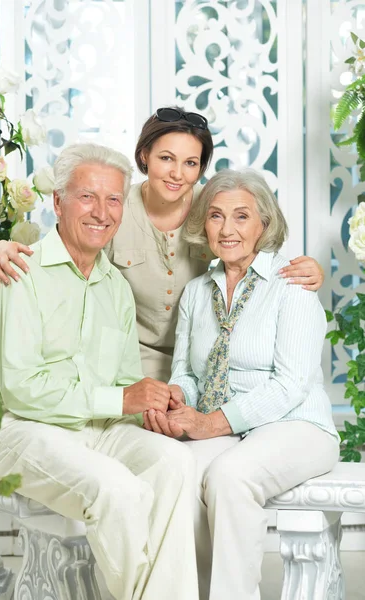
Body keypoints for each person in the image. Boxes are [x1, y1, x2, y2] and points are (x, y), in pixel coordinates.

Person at [0, 143, 199, 600]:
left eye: (114, 199)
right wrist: (121, 400)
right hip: (19, 429)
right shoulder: (19, 270)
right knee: (118, 489)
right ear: (57, 202)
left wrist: (153, 406)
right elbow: (20, 390)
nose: (102, 212)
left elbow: (122, 384)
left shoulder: (115, 286)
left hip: (97, 428)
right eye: (87, 197)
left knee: (176, 463)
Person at [0, 107, 324, 382]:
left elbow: (253, 248)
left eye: (191, 163)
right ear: (145, 155)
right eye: (167, 158)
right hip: (128, 364)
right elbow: (69, 241)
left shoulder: (213, 211)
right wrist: (1, 247)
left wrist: (306, 268)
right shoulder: (114, 207)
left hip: (200, 362)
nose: (177, 173)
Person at [143, 169, 340, 600]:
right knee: (181, 471)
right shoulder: (196, 292)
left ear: (263, 225)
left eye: (241, 216)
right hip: (231, 428)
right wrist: (180, 404)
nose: (227, 228)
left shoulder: (293, 286)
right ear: (204, 225)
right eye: (215, 216)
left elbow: (290, 386)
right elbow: (185, 373)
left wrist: (210, 423)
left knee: (231, 476)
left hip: (298, 425)